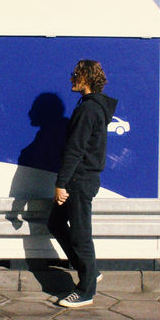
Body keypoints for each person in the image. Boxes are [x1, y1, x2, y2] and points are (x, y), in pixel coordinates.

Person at [48, 59, 117, 307]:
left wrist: (61, 183)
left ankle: (86, 291)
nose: (71, 78)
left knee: (80, 236)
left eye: (75, 74)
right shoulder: (91, 106)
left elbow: (75, 150)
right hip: (81, 178)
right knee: (55, 223)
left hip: (80, 179)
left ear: (85, 77)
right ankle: (90, 271)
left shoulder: (89, 109)